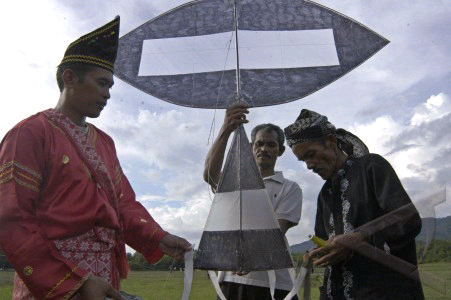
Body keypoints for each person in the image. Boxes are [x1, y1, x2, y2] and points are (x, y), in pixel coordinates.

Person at [0, 16, 191, 300]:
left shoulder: (104, 142)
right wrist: (71, 281)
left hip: (103, 279)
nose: (107, 94)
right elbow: (12, 219)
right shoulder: (29, 133)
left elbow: (123, 204)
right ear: (69, 77)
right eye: (102, 84)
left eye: (111, 87)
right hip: (53, 281)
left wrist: (158, 237)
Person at [284, 109, 424, 300]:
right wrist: (318, 253)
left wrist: (358, 239)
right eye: (303, 160)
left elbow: (407, 220)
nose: (309, 165)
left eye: (311, 154)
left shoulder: (371, 167)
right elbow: (324, 240)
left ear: (331, 141)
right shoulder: (324, 194)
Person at [203, 102, 303, 300]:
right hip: (231, 280)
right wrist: (226, 129)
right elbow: (210, 176)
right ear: (250, 148)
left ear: (280, 150)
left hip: (275, 282)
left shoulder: (289, 188)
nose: (264, 148)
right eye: (259, 143)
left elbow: (278, 229)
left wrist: (250, 257)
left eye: (271, 145)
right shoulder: (234, 183)